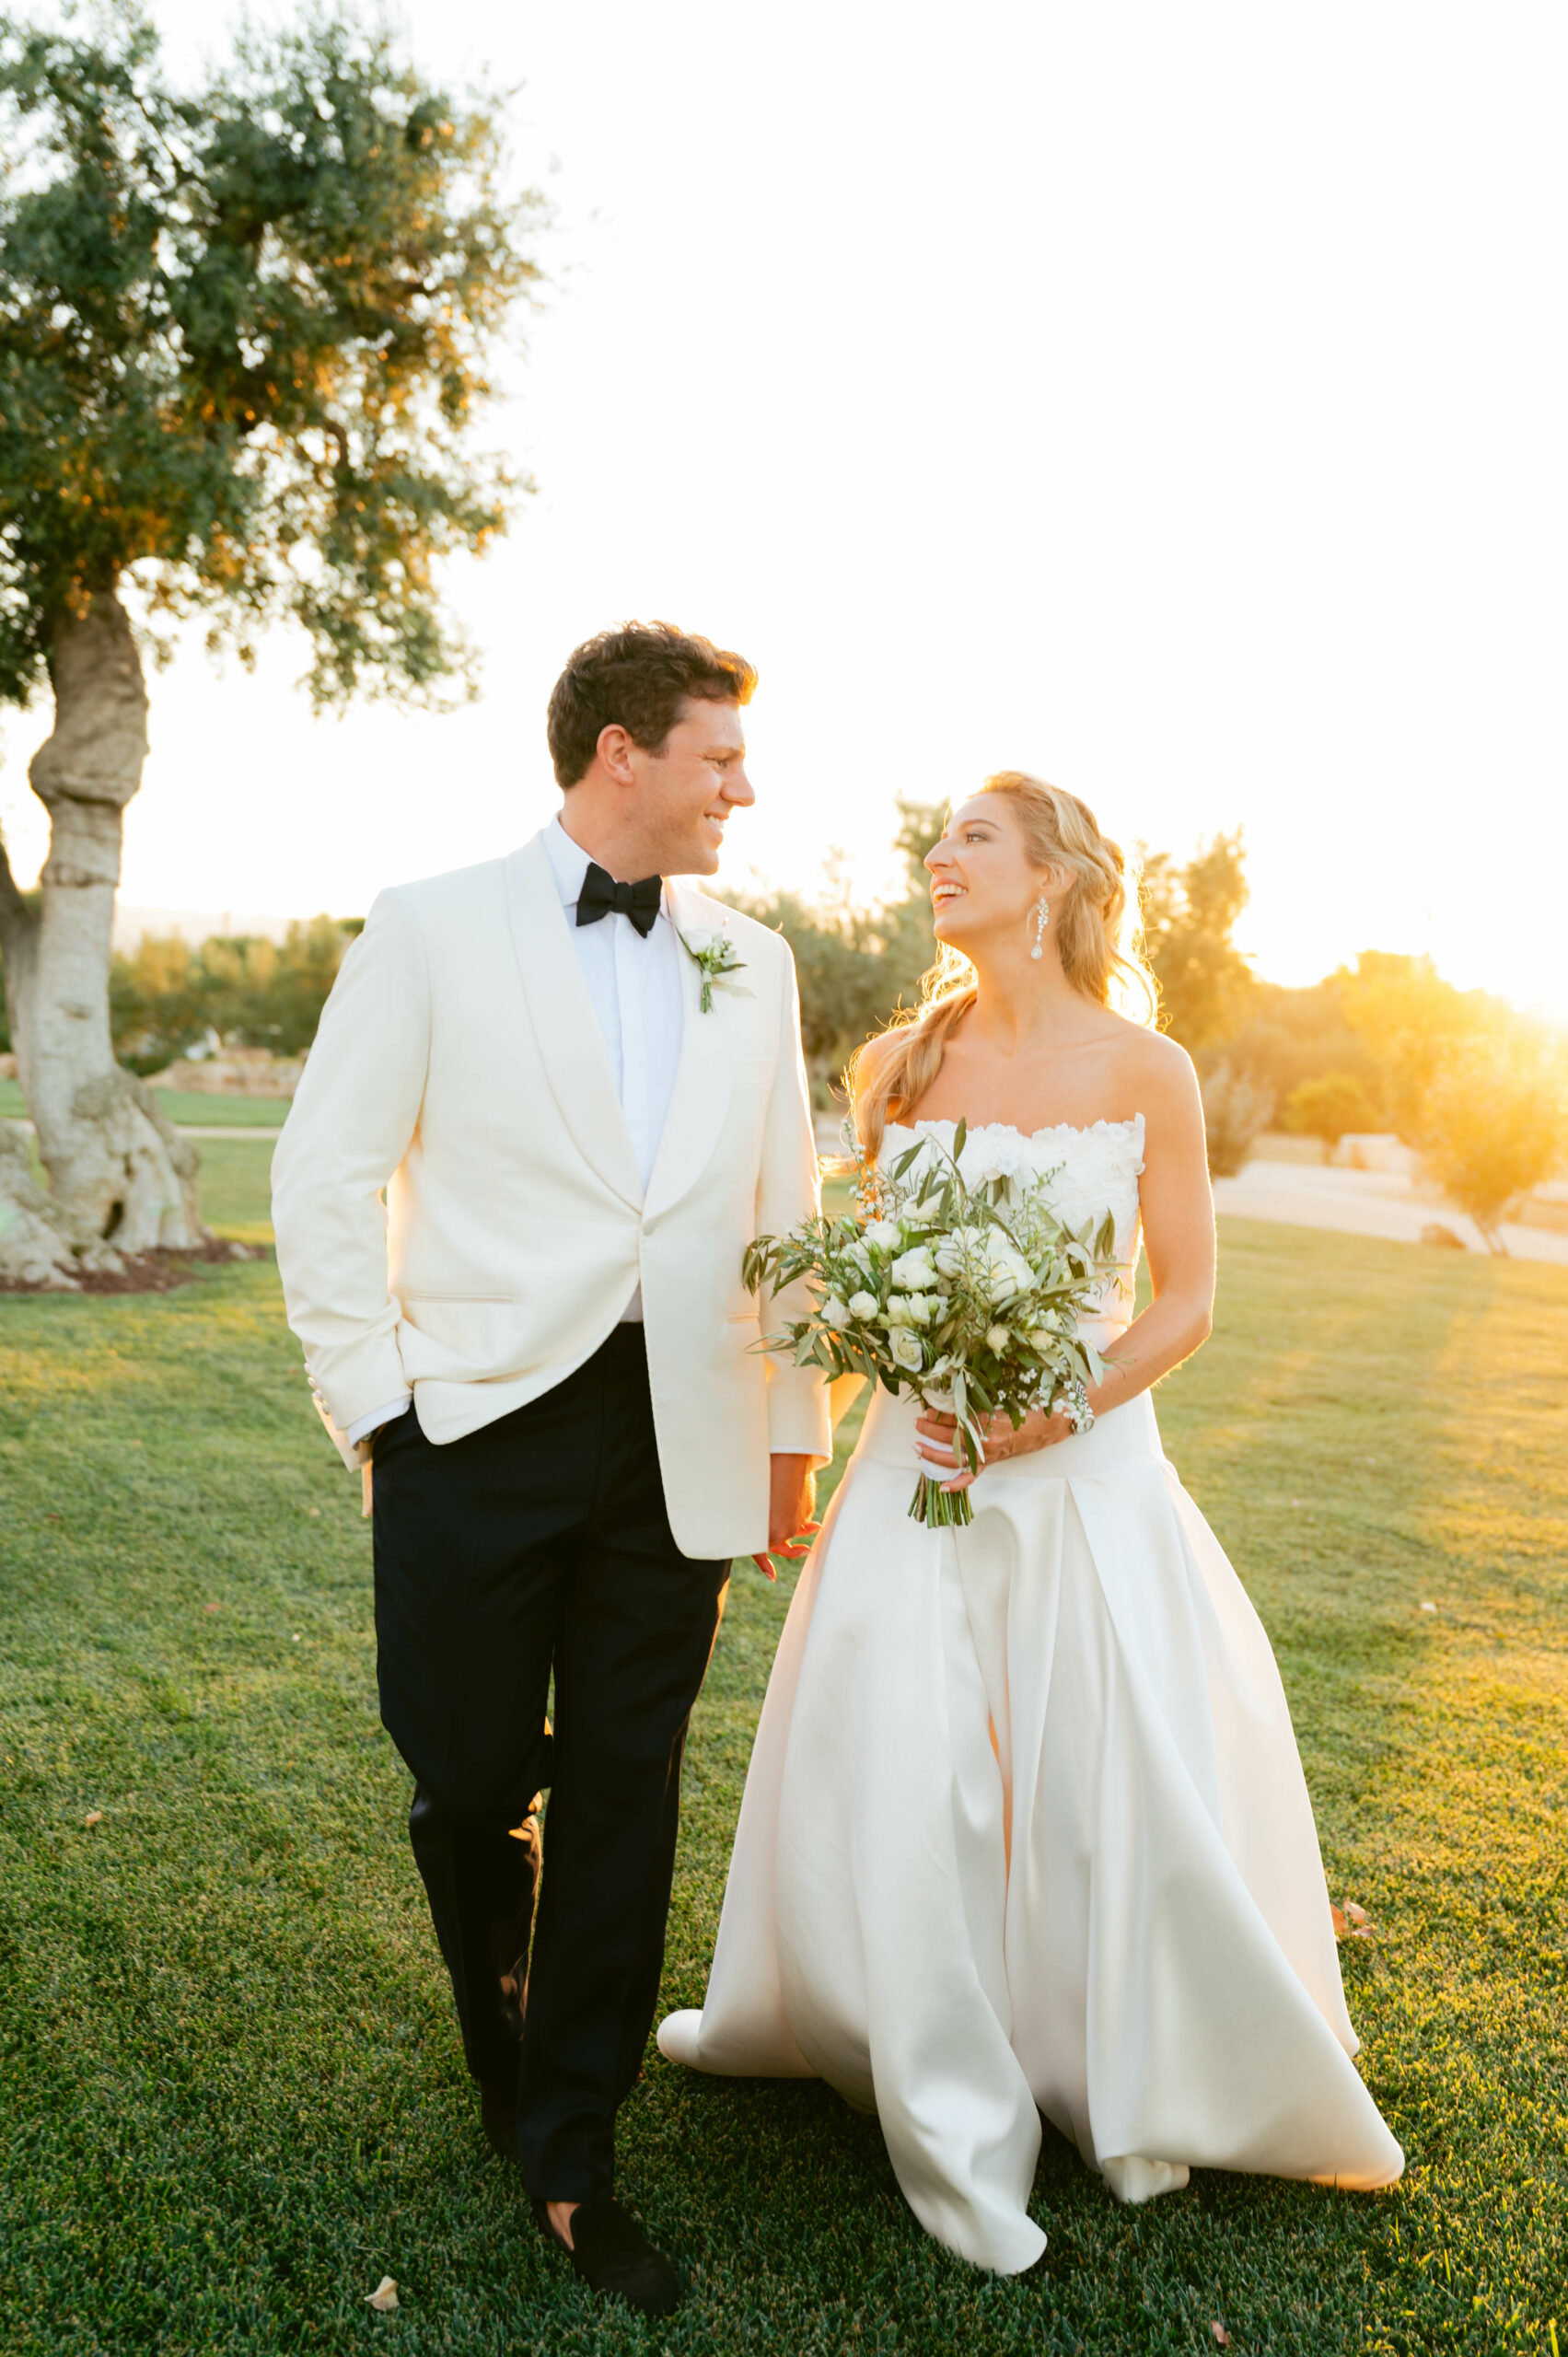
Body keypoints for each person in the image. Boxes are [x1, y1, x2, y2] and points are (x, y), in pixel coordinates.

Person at [657, 772, 1404, 2273]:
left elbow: (1185, 1302)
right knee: (910, 1768)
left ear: (1057, 877)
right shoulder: (897, 1065)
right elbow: (860, 1268)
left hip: (1081, 1479)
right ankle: (931, 2059)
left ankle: (1105, 2052)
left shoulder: (1150, 1069)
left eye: (973, 840)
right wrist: (891, 1363)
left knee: (1088, 1781)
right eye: (939, 841)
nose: (939, 858)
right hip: (909, 1468)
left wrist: (1048, 1414)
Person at [271, 622, 830, 2317]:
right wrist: (380, 1410)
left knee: (626, 1786)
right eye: (720, 756)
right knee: (460, 1773)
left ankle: (573, 2146)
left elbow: (786, 1213)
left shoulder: (756, 959)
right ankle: (503, 2008)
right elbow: (323, 1174)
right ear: (620, 757)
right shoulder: (432, 927)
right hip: (475, 1429)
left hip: (686, 1441)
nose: (746, 785)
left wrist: (795, 1436)